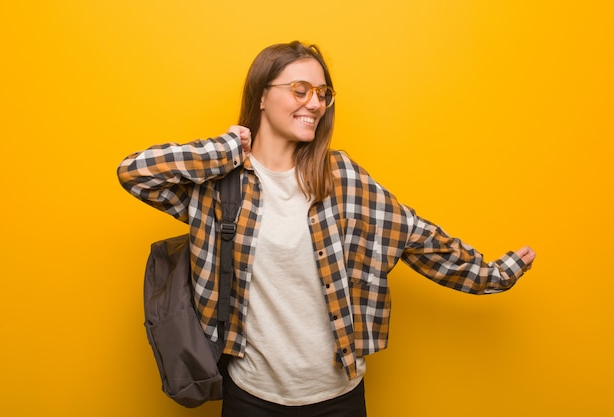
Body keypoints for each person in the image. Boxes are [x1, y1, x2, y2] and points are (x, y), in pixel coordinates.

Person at [117, 40, 536, 417]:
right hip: (249, 395)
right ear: (262, 96)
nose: (315, 103)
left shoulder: (342, 179)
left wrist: (496, 275)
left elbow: (418, 237)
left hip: (339, 398)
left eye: (323, 93)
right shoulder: (218, 186)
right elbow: (134, 173)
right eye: (300, 90)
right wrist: (227, 149)